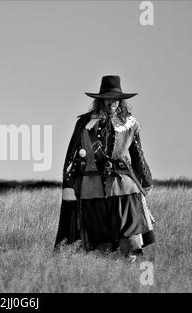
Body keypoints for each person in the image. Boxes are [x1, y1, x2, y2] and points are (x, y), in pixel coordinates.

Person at [54, 75, 155, 259]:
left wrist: (146, 179)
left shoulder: (130, 124)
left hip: (124, 189)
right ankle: (106, 280)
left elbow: (138, 155)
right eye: (107, 99)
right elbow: (72, 157)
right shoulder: (84, 124)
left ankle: (134, 280)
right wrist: (69, 185)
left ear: (120, 101)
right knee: (101, 244)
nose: (111, 104)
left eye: (115, 99)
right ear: (100, 100)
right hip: (92, 191)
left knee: (130, 240)